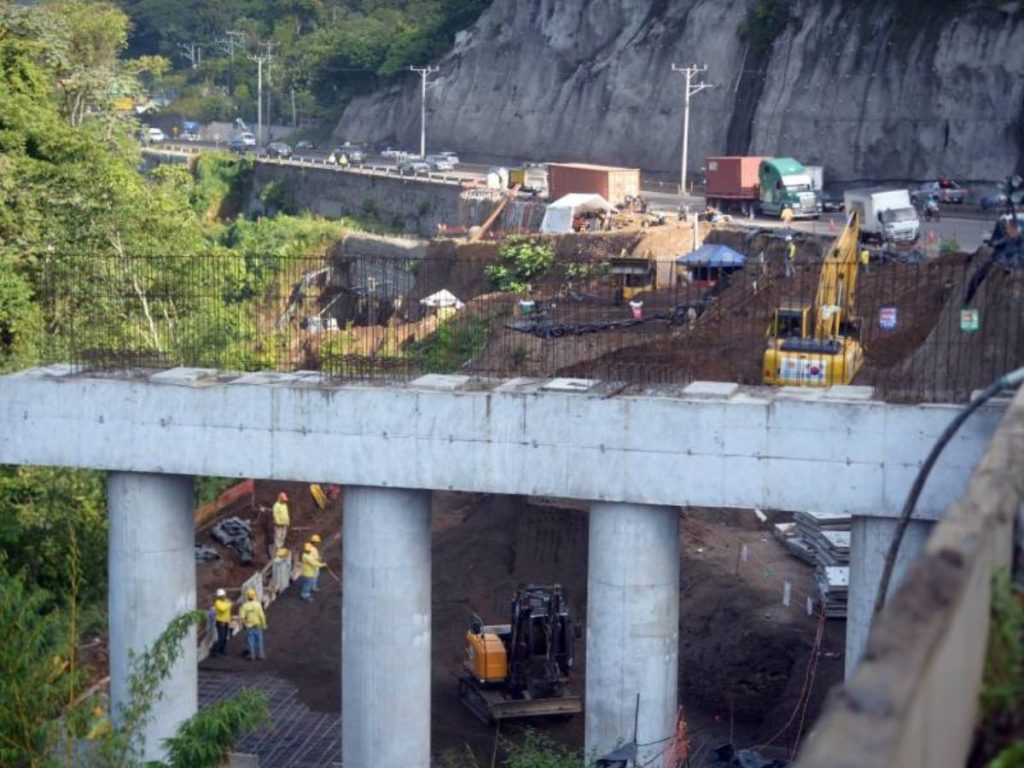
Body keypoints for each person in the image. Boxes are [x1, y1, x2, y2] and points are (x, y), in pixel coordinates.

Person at [239, 587, 267, 660]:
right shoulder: (258, 604)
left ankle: (252, 655)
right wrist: (264, 624)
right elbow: (262, 615)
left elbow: (242, 617)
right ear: (254, 595)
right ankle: (260, 655)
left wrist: (244, 624)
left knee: (250, 641)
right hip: (257, 625)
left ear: (247, 596)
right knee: (259, 640)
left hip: (249, 626)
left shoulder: (245, 606)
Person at [212, 588, 232, 657]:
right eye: (222, 596)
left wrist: (228, 603)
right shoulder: (217, 603)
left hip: (226, 622)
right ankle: (217, 652)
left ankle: (222, 650)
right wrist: (228, 604)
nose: (223, 597)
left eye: (224, 595)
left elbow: (229, 604)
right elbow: (222, 609)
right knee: (221, 638)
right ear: (219, 597)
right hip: (220, 623)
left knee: (224, 638)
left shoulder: (225, 601)